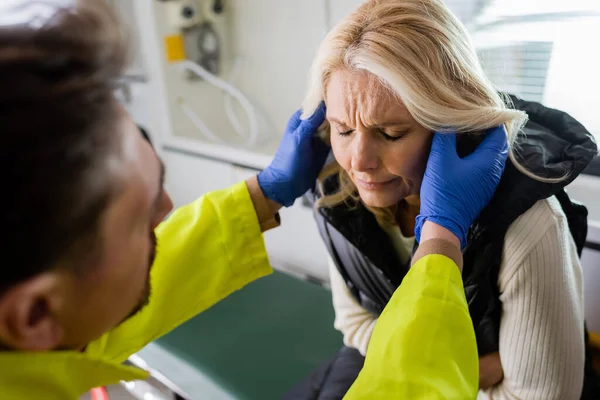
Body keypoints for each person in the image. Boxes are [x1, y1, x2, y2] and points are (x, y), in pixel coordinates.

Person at [0, 1, 508, 399]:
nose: (168, 213)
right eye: (141, 221)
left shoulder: (23, 344)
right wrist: (441, 240)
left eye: (393, 131)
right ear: (36, 316)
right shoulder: (340, 204)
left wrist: (263, 194)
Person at [285, 0, 599, 399]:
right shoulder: (336, 192)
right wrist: (475, 369)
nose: (358, 162)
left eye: (392, 133)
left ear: (453, 123)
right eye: (343, 130)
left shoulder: (529, 224)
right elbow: (354, 324)